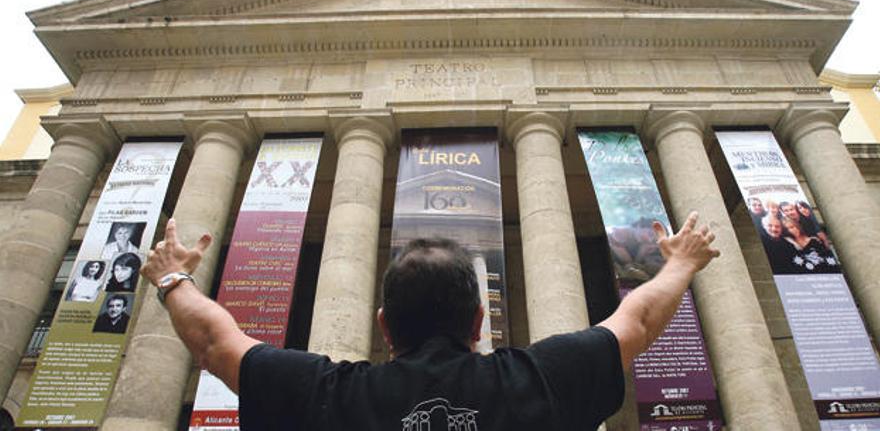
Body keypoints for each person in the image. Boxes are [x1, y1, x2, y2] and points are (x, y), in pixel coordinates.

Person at [142, 214, 719, 430]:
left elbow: (216, 344)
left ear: (384, 327)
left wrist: (172, 279)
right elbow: (637, 320)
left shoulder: (329, 398)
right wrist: (683, 262)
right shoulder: (539, 381)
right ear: (478, 318)